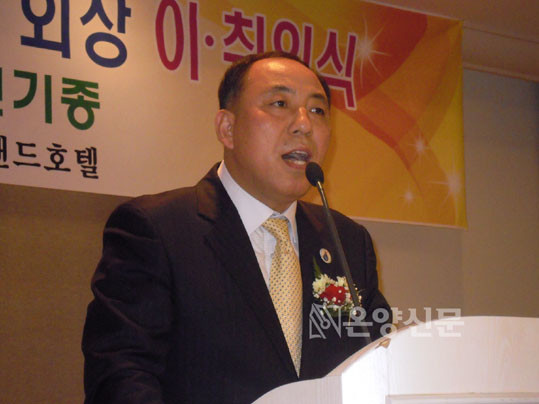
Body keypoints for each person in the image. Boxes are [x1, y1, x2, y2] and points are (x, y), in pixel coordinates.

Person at [82, 51, 391, 404]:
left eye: (317, 110)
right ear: (227, 128)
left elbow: (378, 363)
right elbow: (121, 376)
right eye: (280, 104)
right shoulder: (156, 229)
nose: (304, 124)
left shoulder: (347, 241)